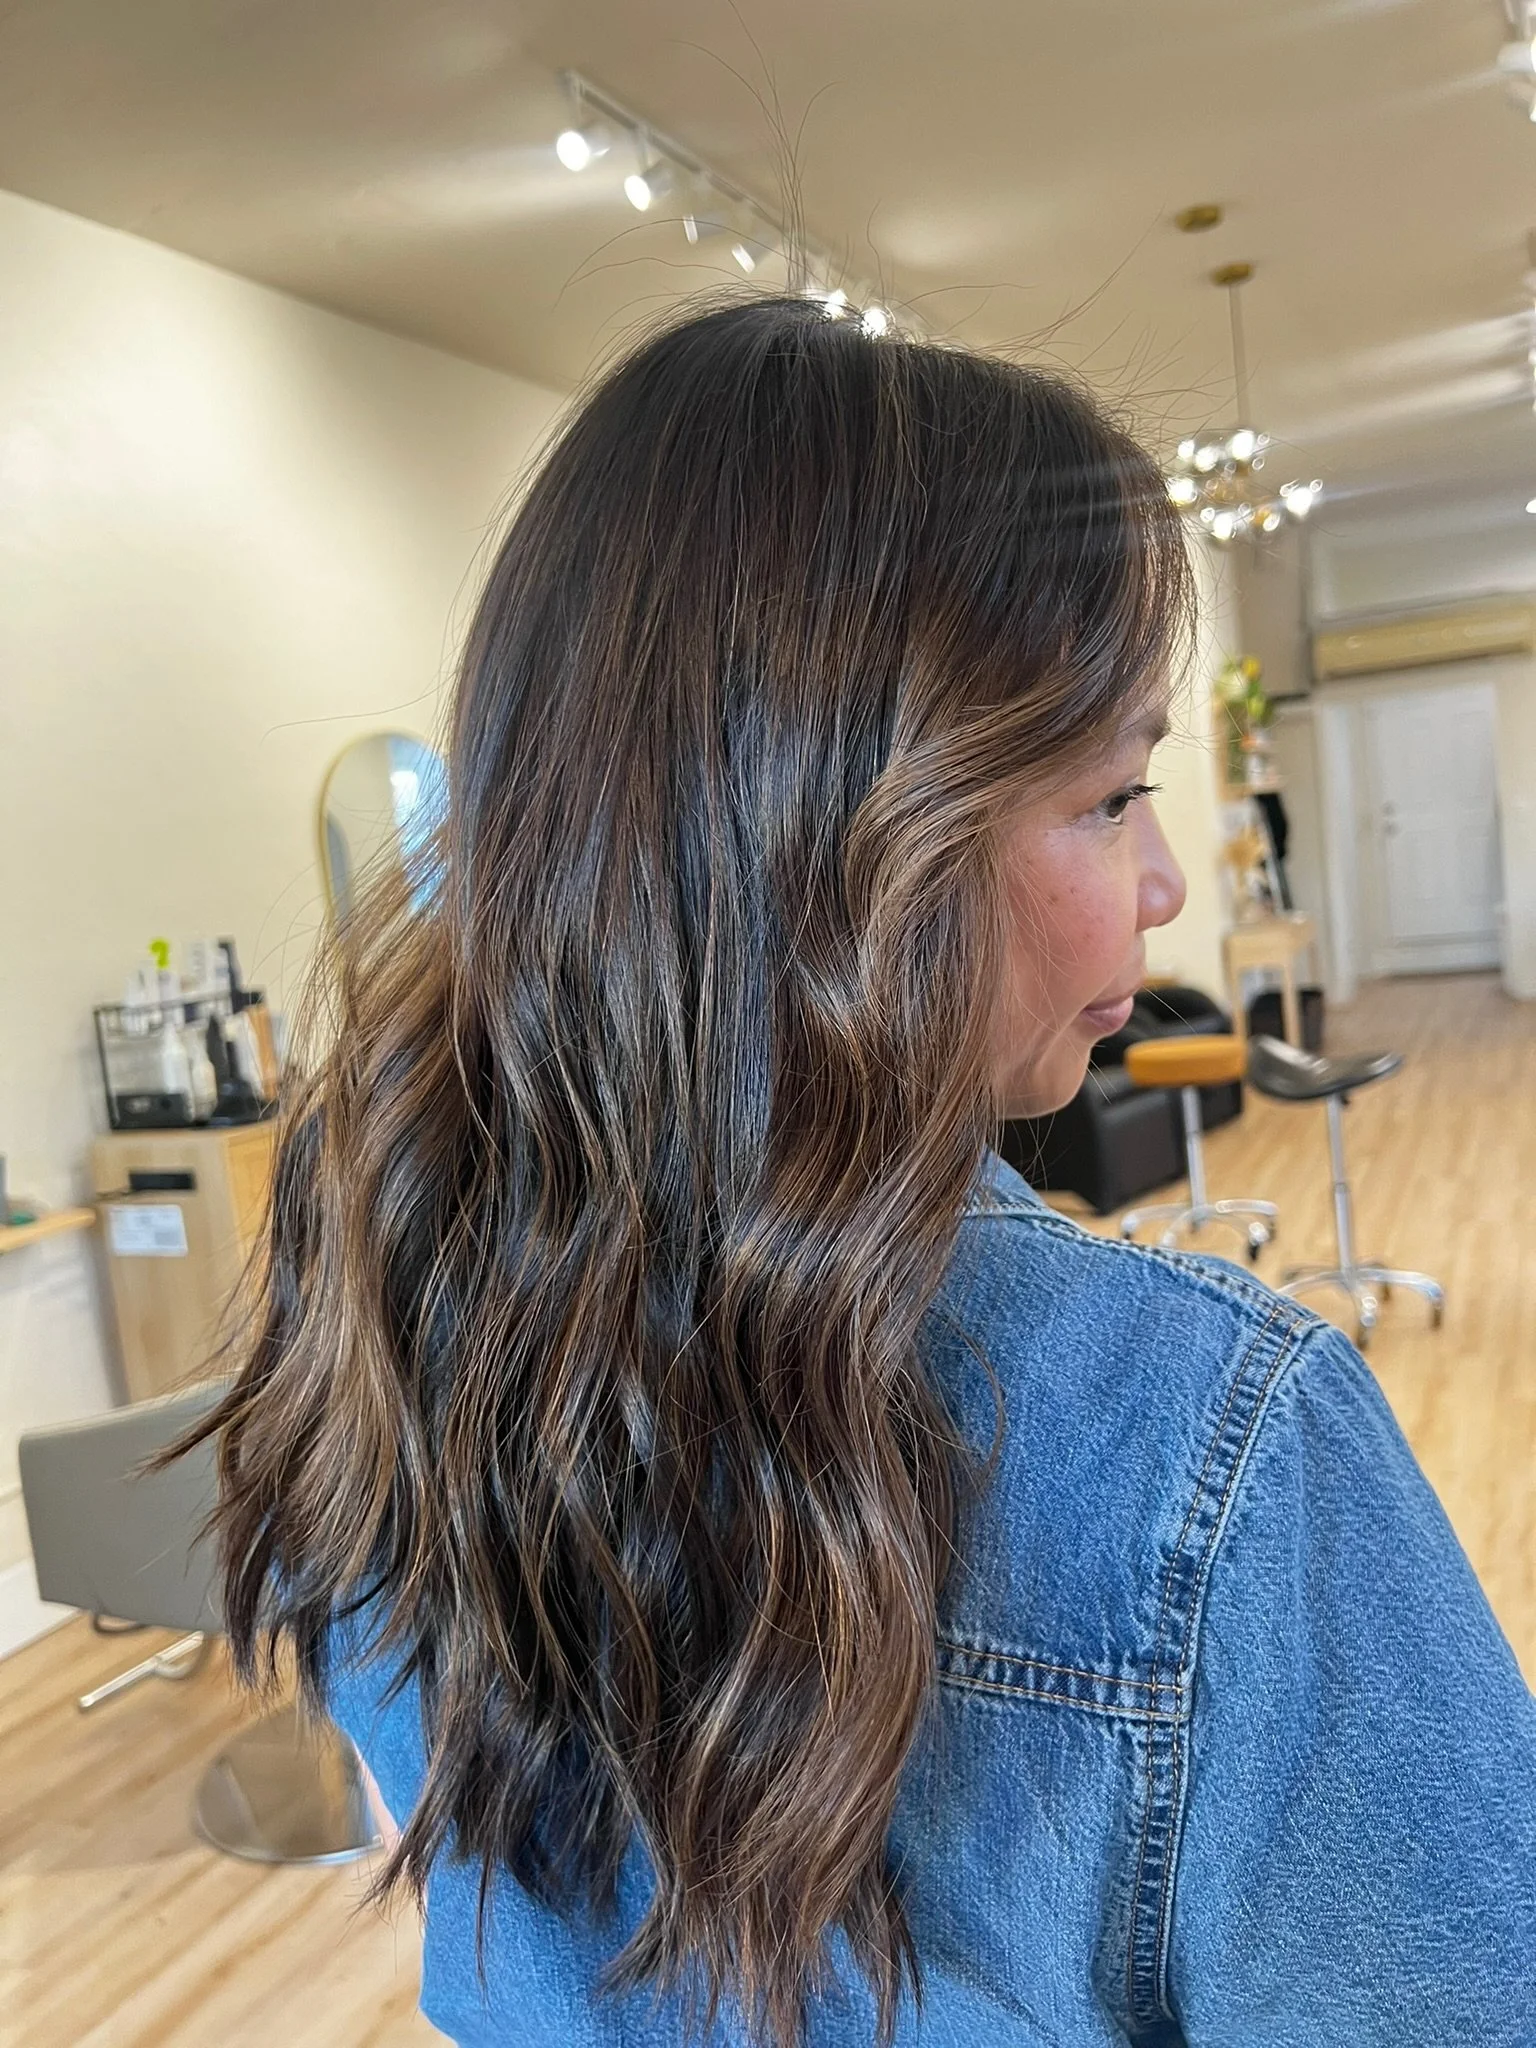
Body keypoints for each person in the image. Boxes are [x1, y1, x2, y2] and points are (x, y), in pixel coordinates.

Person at [178, 296, 1536, 2046]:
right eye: (1113, 796)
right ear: (864, 845)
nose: (1167, 883)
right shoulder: (1225, 1454)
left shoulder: (377, 1292)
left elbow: (442, 1871)